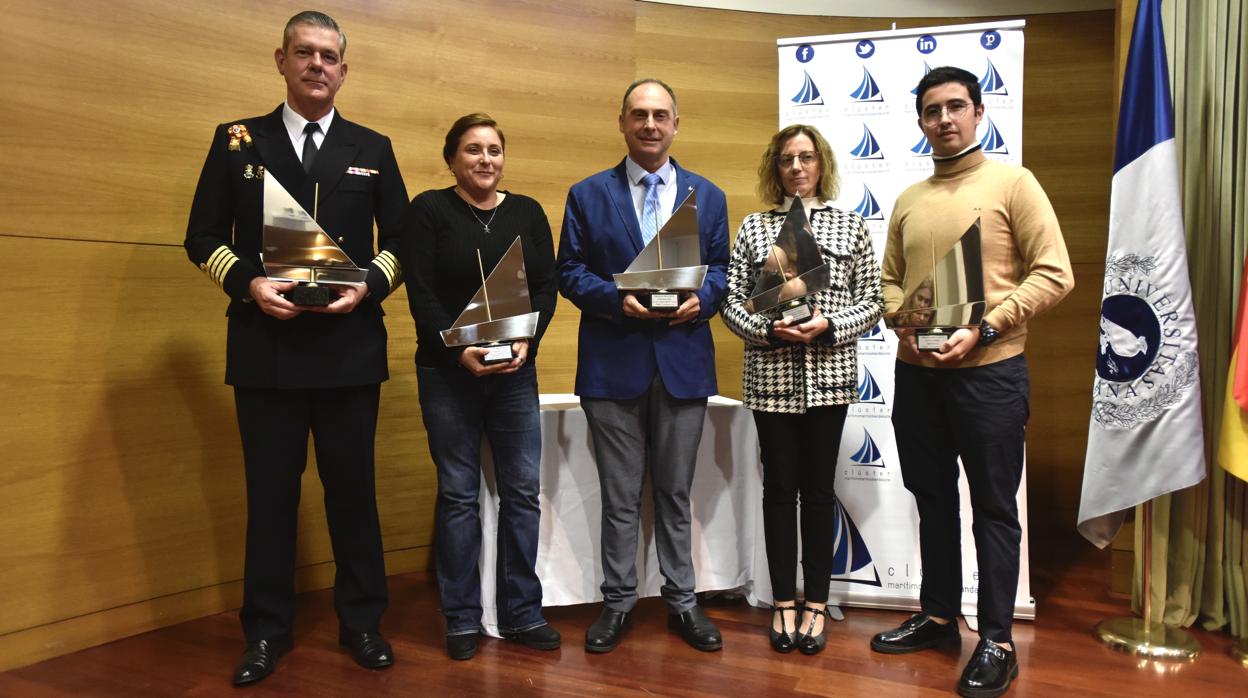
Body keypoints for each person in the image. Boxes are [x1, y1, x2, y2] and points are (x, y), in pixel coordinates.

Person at [183, 11, 406, 686]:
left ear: (344, 68)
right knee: (271, 497)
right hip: (266, 349)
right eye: (304, 53)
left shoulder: (374, 145)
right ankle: (266, 631)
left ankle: (363, 621)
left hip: (348, 349)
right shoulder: (235, 141)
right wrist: (247, 282)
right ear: (279, 60)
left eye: (329, 55)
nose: (317, 64)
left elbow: (400, 244)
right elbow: (200, 237)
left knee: (353, 494)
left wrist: (367, 286)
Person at [872, 66, 1073, 698]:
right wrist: (900, 323)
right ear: (922, 122)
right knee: (931, 497)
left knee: (992, 507)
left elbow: (1054, 274)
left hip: (990, 374)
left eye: (956, 106)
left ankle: (996, 639)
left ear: (979, 113)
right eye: (932, 111)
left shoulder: (1014, 183)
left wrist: (985, 328)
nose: (945, 119)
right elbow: (890, 281)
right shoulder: (908, 198)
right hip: (918, 376)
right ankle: (936, 617)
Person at [556, 78, 730, 653]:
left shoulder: (708, 194)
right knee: (620, 494)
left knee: (676, 493)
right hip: (613, 363)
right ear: (623, 122)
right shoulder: (586, 194)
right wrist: (614, 297)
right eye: (639, 114)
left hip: (682, 363)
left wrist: (701, 301)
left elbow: (725, 272)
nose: (650, 124)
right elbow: (570, 271)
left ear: (676, 124)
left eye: (660, 115)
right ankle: (618, 602)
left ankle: (683, 602)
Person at [399, 113, 560, 661]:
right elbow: (419, 292)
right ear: (451, 159)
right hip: (447, 376)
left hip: (516, 373)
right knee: (459, 496)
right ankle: (463, 618)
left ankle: (521, 613)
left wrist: (526, 345)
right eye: (472, 150)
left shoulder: (528, 213)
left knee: (521, 493)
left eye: (494, 149)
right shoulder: (429, 211)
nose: (485, 160)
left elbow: (545, 287)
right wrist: (456, 349)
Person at [720, 124, 882, 655]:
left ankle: (816, 602)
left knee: (816, 492)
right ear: (776, 167)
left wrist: (829, 325)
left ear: (821, 165)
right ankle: (782, 603)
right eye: (787, 158)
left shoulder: (850, 226)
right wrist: (767, 329)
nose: (796, 167)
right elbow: (730, 302)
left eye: (806, 157)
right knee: (776, 492)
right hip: (770, 381)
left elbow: (874, 300)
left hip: (829, 379)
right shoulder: (753, 228)